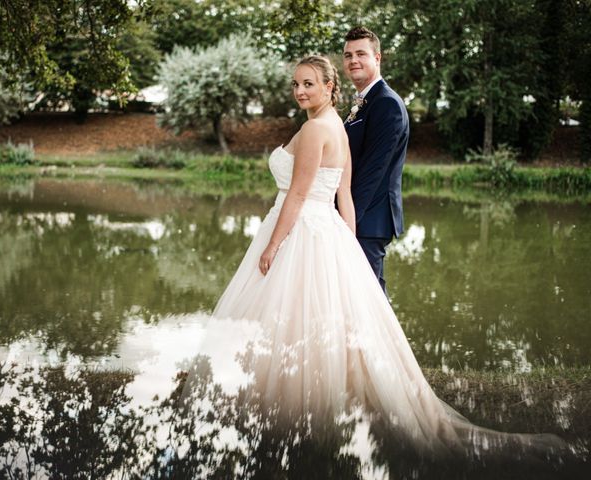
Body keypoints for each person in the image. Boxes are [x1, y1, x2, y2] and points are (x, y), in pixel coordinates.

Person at [206, 55, 573, 464]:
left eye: (308, 83)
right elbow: (343, 199)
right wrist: (348, 249)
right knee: (312, 318)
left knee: (288, 314)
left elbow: (297, 195)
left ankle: (288, 409)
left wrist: (273, 246)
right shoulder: (338, 130)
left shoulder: (314, 130)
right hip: (323, 230)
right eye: (295, 84)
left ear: (330, 86)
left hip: (300, 230)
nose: (299, 91)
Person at [342, 26, 409, 294]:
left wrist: (347, 223)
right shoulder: (364, 101)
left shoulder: (386, 104)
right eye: (348, 55)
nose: (353, 60)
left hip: (367, 220)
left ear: (377, 58)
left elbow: (373, 172)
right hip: (360, 217)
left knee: (368, 300)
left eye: (361, 54)